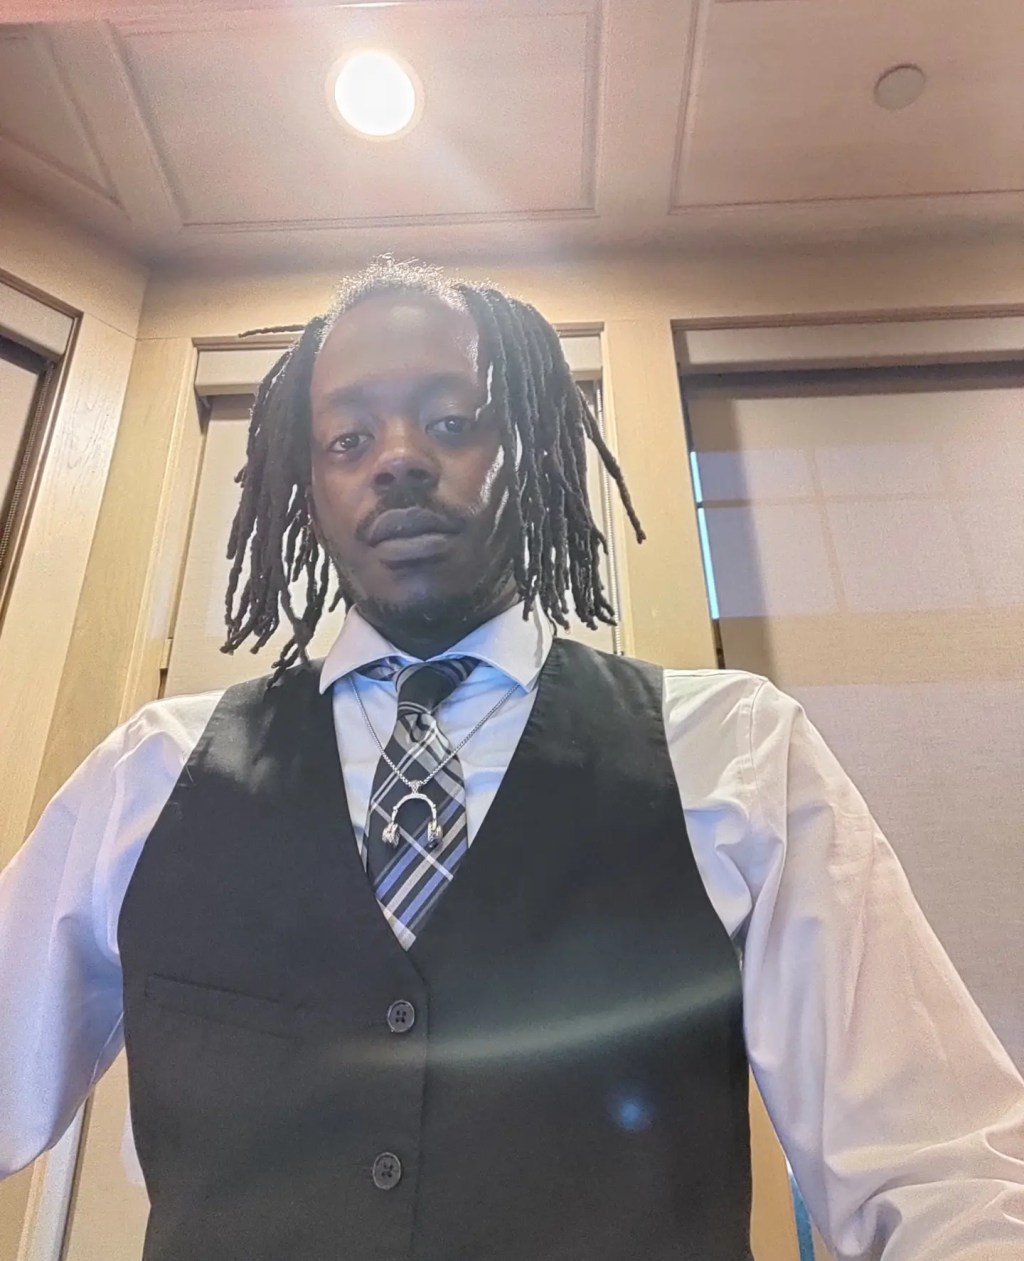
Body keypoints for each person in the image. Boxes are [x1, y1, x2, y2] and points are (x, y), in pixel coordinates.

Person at [1, 258, 1023, 1261]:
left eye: (451, 422)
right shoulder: (151, 774)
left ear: (530, 448)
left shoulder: (735, 749)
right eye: (349, 438)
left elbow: (936, 1168)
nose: (398, 459)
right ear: (307, 487)